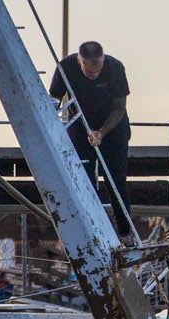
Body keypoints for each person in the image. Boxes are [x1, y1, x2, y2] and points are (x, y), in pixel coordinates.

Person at [48, 40, 133, 236]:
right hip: (79, 126)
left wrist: (101, 132)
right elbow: (53, 99)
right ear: (80, 62)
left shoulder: (115, 68)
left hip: (112, 127)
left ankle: (124, 231)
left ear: (103, 60)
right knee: (83, 179)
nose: (94, 75)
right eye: (90, 72)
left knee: (116, 179)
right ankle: (92, 230)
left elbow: (120, 107)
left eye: (98, 71)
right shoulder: (66, 67)